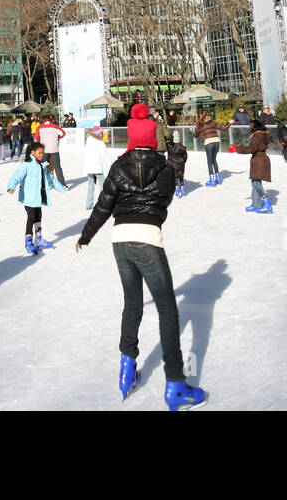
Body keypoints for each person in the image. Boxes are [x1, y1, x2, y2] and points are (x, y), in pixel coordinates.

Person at [76, 126, 206, 411]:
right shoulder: (163, 167)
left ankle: (126, 369)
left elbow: (103, 205)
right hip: (147, 238)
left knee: (132, 304)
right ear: (152, 140)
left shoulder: (119, 164)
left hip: (119, 239)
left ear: (132, 140)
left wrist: (86, 236)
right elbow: (167, 198)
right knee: (168, 310)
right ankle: (175, 384)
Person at [7, 141, 67, 255]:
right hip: (29, 197)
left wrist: (61, 188)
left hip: (38, 197)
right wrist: (12, 186)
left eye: (42, 153)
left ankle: (38, 239)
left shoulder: (43, 165)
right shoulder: (27, 164)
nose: (41, 155)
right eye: (39, 153)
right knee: (31, 217)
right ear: (33, 152)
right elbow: (16, 176)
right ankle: (28, 242)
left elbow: (51, 179)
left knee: (38, 216)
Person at [238, 128, 273, 213]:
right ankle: (255, 204)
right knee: (254, 182)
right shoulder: (263, 135)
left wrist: (237, 149)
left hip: (259, 161)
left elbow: (251, 149)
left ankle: (266, 203)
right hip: (259, 160)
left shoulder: (257, 136)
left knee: (256, 183)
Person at [83, 126, 113, 211]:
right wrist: (111, 165)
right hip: (96, 166)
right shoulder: (100, 143)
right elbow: (105, 156)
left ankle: (88, 204)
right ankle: (102, 203)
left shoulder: (88, 141)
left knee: (90, 184)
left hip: (88, 166)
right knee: (102, 184)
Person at [193, 111, 222, 186]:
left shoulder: (201, 124)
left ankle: (212, 180)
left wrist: (197, 126)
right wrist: (229, 122)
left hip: (209, 143)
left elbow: (195, 135)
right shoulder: (212, 122)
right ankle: (218, 178)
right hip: (217, 141)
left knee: (209, 161)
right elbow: (224, 128)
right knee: (214, 160)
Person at [37, 116, 67, 186]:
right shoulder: (55, 126)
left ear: (43, 121)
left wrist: (40, 142)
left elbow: (36, 137)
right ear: (50, 121)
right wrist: (57, 138)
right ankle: (62, 183)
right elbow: (63, 133)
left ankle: (43, 183)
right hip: (54, 149)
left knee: (44, 167)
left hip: (44, 150)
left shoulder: (40, 127)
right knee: (57, 167)